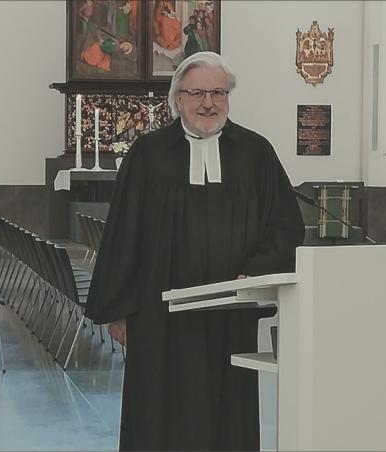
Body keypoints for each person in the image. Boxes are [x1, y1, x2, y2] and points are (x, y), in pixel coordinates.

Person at [85, 51, 304, 450]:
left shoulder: (256, 153)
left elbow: (286, 225)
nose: (208, 103)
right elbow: (122, 233)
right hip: (158, 317)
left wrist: (256, 272)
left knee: (228, 410)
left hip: (229, 313)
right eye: (198, 93)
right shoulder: (148, 154)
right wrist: (117, 310)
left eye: (218, 93)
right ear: (178, 98)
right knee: (159, 412)